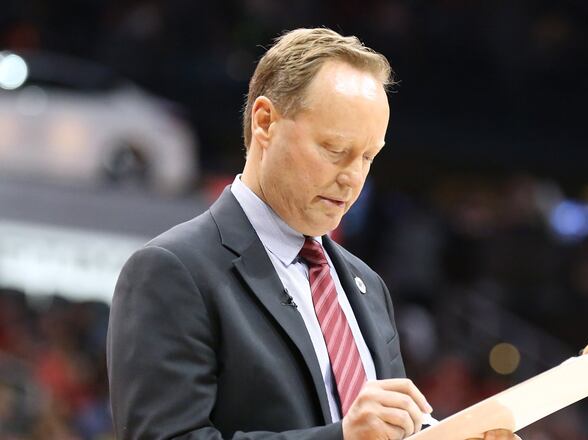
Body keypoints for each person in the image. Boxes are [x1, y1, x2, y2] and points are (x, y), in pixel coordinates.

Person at [107, 28, 522, 439]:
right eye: (335, 150)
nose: (353, 178)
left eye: (368, 158)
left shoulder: (369, 288)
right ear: (265, 121)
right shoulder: (172, 270)